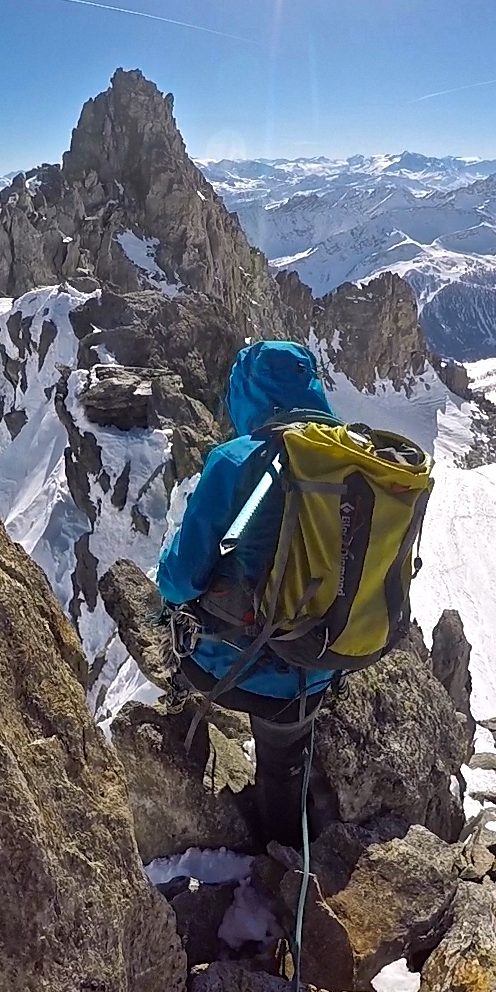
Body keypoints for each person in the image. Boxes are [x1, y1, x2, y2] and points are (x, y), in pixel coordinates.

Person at [156, 339, 339, 842]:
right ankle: (290, 844)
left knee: (175, 634)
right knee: (285, 754)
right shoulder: (354, 463)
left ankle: (182, 746)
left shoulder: (235, 460)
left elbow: (180, 578)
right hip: (330, 655)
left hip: (240, 668)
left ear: (248, 395)